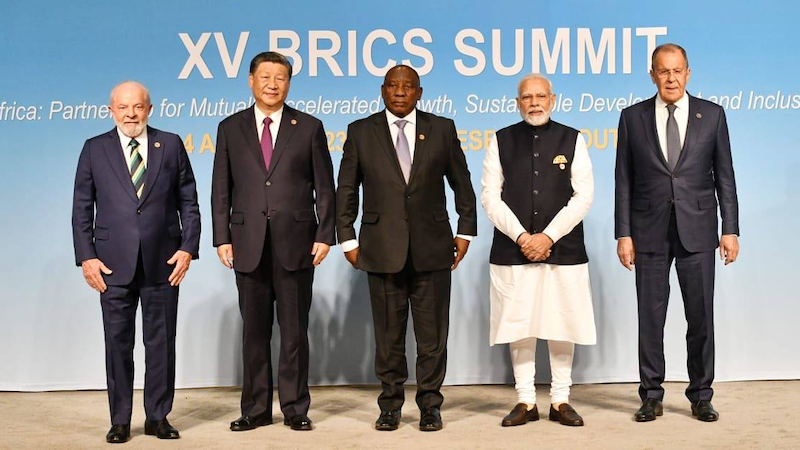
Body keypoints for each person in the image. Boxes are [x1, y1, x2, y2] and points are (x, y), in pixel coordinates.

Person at [336, 65, 477, 432]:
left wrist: (465, 232)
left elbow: (462, 184)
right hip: (381, 250)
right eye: (393, 86)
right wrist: (347, 238)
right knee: (388, 336)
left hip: (433, 249)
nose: (400, 92)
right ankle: (390, 405)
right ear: (383, 91)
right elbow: (347, 190)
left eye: (408, 86)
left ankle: (430, 404)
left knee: (432, 338)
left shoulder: (442, 129)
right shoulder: (360, 132)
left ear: (420, 92)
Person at [615, 43, 740, 422]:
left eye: (677, 71)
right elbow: (623, 180)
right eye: (663, 71)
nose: (671, 78)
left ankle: (701, 395)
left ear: (688, 73)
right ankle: (651, 396)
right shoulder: (631, 117)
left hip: (699, 231)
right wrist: (624, 234)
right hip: (647, 231)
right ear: (652, 74)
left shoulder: (712, 115)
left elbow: (725, 177)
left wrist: (730, 229)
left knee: (700, 318)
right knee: (650, 319)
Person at [211, 51, 335, 432]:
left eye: (280, 77)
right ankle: (255, 409)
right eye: (264, 76)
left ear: (289, 83)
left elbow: (324, 186)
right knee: (254, 333)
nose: (272, 84)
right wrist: (221, 237)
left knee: (295, 332)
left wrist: (324, 234)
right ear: (250, 80)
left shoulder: (309, 127)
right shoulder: (230, 128)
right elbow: (221, 188)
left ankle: (295, 409)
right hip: (246, 243)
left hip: (297, 243)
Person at [72, 81, 200, 443]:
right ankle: (120, 420)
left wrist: (188, 247)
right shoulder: (94, 149)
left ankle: (158, 417)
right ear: (111, 110)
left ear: (149, 108)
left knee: (161, 344)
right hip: (111, 265)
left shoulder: (171, 144)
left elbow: (188, 200)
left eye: (138, 107)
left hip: (164, 261)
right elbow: (82, 207)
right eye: (123, 107)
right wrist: (87, 257)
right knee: (117, 344)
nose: (131, 114)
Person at [481, 74, 596, 428]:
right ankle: (525, 400)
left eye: (540, 96)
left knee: (562, 323)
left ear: (553, 99)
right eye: (527, 97)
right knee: (521, 325)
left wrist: (547, 236)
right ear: (518, 103)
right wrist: (521, 237)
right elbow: (490, 195)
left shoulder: (573, 139)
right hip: (513, 250)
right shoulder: (500, 140)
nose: (534, 102)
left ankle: (560, 400)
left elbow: (584, 196)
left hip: (563, 250)